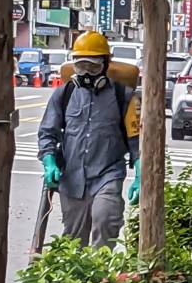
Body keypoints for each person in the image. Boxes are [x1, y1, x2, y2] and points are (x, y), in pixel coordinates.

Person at [38, 30, 141, 248]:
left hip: (107, 174)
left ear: (105, 64)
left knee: (105, 220)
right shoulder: (63, 94)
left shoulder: (124, 96)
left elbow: (136, 141)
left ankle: (100, 280)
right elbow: (48, 132)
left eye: (93, 66)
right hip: (72, 179)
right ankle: (79, 282)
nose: (86, 73)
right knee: (74, 241)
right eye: (81, 66)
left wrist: (141, 175)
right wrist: (49, 163)